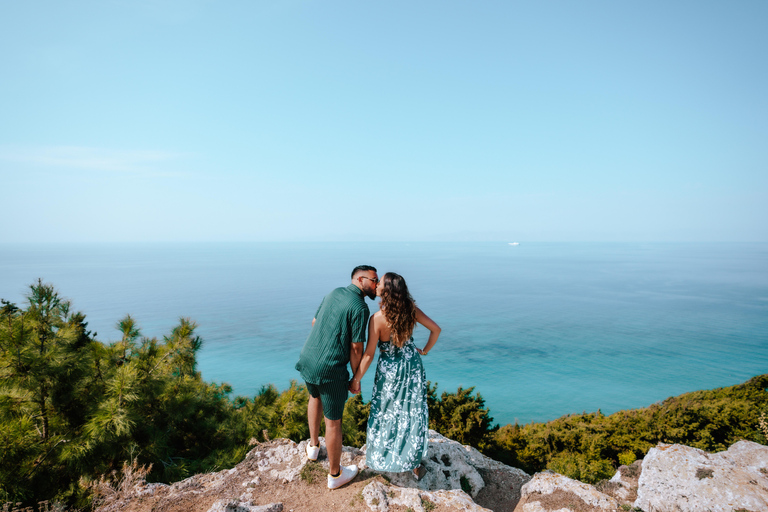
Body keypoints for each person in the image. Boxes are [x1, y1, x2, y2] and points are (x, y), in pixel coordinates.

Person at [349, 272, 440, 480]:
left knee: (386, 411)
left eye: (379, 283)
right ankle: (412, 462)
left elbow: (369, 354)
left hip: (389, 370)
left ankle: (383, 458)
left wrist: (356, 379)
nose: (377, 284)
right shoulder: (411, 310)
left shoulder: (377, 319)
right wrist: (424, 350)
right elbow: (436, 330)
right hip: (412, 366)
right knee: (411, 411)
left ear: (386, 291)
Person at [295, 265, 379, 489]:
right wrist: (355, 377)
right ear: (360, 280)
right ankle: (335, 475)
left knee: (315, 398)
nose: (377, 284)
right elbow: (355, 348)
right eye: (374, 280)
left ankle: (313, 448)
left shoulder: (333, 293)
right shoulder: (360, 307)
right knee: (333, 422)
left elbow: (314, 322)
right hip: (330, 368)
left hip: (308, 357)